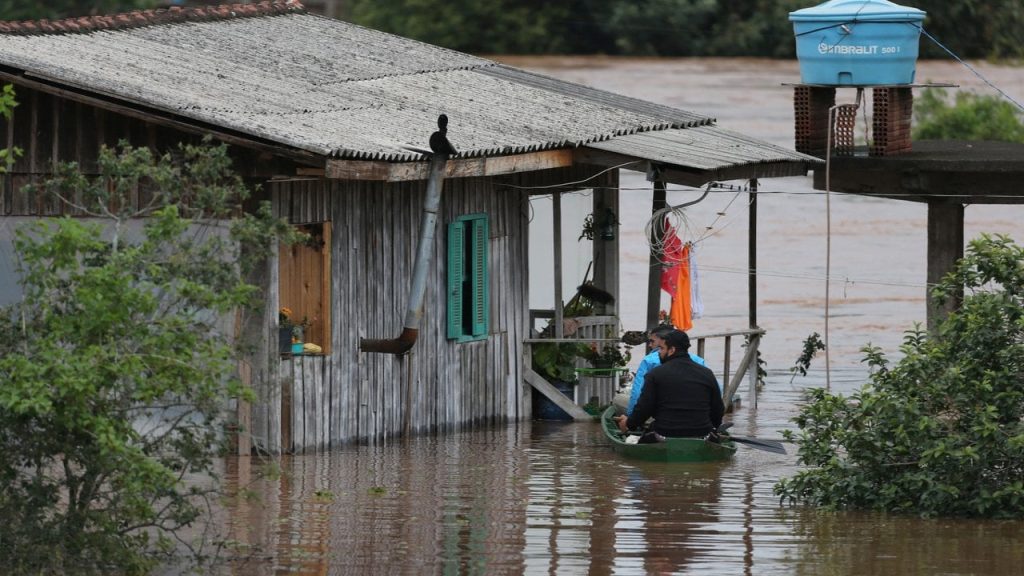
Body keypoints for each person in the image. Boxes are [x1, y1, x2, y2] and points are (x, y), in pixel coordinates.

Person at [614, 329, 724, 439]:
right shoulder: (706, 373)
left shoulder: (655, 374)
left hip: (664, 433)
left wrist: (629, 424)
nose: (659, 353)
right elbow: (718, 409)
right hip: (702, 433)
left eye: (661, 348)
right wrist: (713, 428)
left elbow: (644, 408)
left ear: (671, 350)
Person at [619, 325, 714, 417]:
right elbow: (715, 394)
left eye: (653, 342)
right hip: (699, 418)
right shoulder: (699, 363)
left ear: (665, 343)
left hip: (663, 419)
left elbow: (637, 393)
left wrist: (631, 419)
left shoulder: (650, 363)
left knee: (618, 399)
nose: (650, 345)